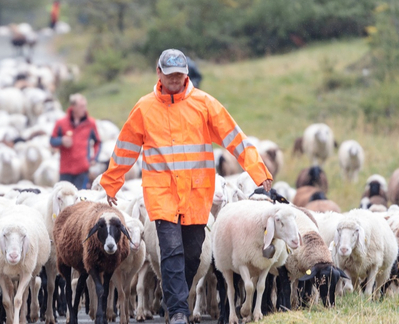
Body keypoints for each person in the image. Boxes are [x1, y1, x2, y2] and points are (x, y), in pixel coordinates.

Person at [100, 49, 272, 324]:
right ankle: (178, 311)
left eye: (179, 75)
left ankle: (175, 295)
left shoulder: (204, 104)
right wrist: (111, 182)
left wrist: (257, 170)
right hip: (162, 193)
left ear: (186, 74)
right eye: (169, 75)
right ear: (159, 73)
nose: (174, 80)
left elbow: (235, 138)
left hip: (196, 193)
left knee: (193, 252)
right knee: (170, 251)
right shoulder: (145, 108)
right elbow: (125, 149)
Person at [50, 94, 101, 190]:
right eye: (81, 106)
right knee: (63, 197)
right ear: (73, 107)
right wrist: (62, 140)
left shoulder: (90, 123)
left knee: (80, 198)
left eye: (85, 106)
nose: (84, 109)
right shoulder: (61, 123)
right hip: (65, 170)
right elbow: (52, 140)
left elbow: (98, 142)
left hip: (82, 169)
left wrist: (94, 158)